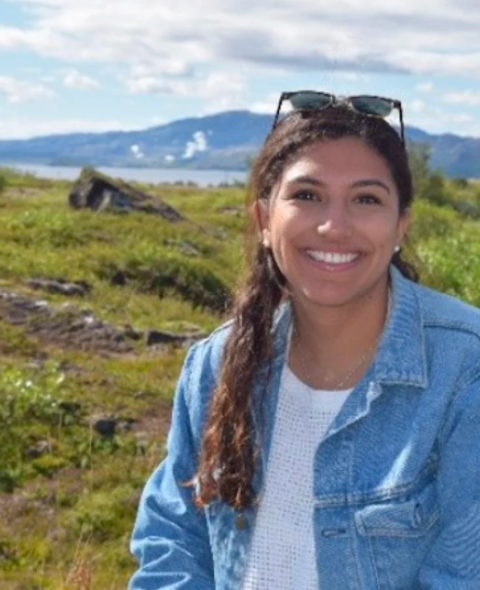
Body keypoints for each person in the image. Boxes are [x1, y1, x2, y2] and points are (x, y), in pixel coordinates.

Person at [128, 92, 480, 590]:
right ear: (264, 221)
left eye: (366, 199)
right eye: (307, 195)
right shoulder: (216, 365)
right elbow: (173, 542)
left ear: (401, 224)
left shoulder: (465, 369)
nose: (334, 226)